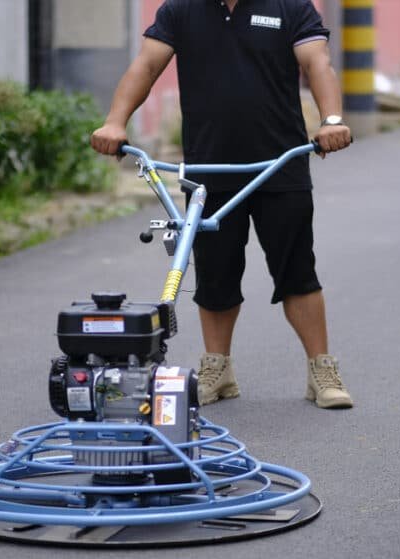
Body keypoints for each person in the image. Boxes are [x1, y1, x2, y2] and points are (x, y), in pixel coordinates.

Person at [91, 0, 353, 409]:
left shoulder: (291, 6)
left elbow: (317, 63)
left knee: (297, 271)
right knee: (215, 276)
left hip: (277, 165)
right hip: (208, 169)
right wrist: (116, 121)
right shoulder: (180, 9)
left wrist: (331, 120)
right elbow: (146, 65)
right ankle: (219, 369)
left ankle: (321, 369)